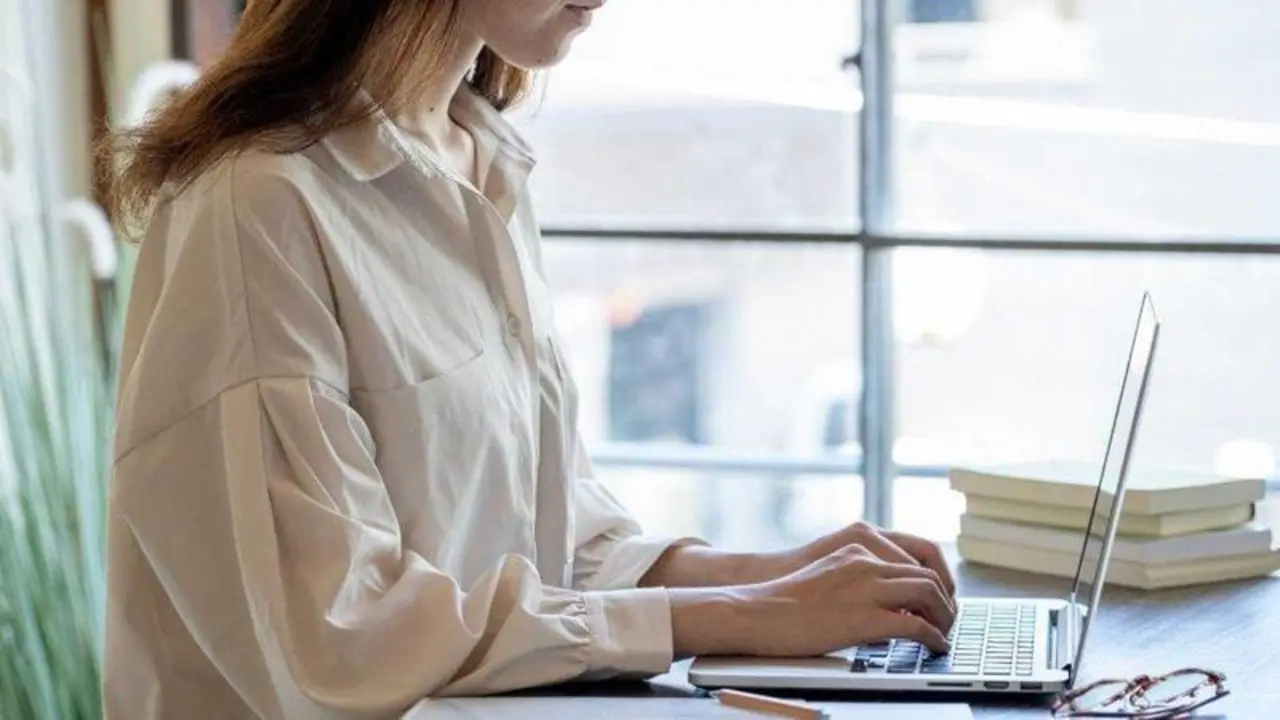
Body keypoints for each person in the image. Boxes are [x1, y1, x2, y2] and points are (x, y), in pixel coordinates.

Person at [102, 1, 958, 718]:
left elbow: (548, 531)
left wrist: (782, 575)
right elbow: (344, 630)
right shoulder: (257, 204)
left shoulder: (480, 160)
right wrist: (736, 614)